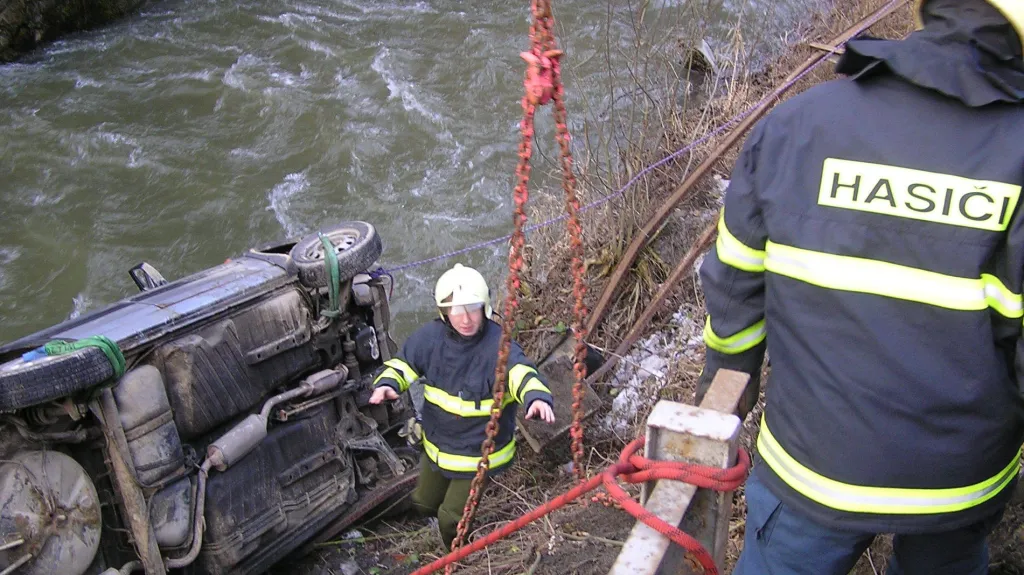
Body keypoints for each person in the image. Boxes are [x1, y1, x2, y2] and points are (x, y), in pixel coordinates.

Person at [695, 0, 1024, 573]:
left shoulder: (795, 125)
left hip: (812, 466)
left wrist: (724, 387)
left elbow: (735, 285)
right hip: (957, 483)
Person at [369, 263, 555, 548]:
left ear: (485, 307)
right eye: (456, 310)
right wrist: (388, 384)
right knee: (423, 502)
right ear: (444, 313)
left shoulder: (498, 346)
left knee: (450, 518)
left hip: (477, 457)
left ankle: (459, 556)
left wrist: (537, 397)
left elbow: (521, 373)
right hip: (438, 448)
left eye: (472, 309)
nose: (465, 318)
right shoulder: (430, 339)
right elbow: (404, 364)